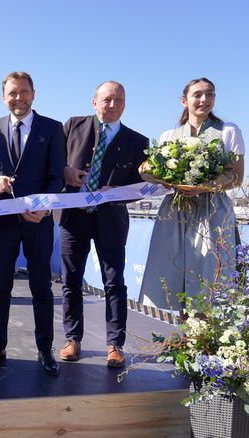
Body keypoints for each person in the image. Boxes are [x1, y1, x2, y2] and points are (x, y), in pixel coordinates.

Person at [0, 71, 65, 376]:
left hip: (39, 220)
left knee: (41, 285)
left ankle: (45, 350)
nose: (18, 98)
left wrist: (44, 208)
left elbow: (56, 176)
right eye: (12, 93)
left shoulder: (53, 129)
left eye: (23, 92)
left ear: (33, 93)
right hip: (3, 219)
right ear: (4, 97)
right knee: (0, 285)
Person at [59, 81, 149, 368]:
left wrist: (120, 190)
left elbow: (141, 186)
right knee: (70, 282)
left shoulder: (138, 141)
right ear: (94, 102)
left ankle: (115, 345)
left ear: (125, 104)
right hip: (73, 218)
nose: (112, 105)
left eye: (119, 100)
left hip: (111, 220)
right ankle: (73, 340)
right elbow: (53, 163)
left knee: (114, 283)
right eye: (107, 99)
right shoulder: (72, 126)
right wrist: (66, 172)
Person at [139, 78, 245, 313]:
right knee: (174, 273)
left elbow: (236, 178)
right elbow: (161, 175)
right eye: (198, 94)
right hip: (176, 211)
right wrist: (149, 172)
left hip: (213, 209)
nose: (204, 100)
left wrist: (204, 186)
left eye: (210, 94)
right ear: (184, 100)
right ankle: (187, 337)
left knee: (211, 275)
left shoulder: (228, 131)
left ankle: (211, 339)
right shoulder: (169, 136)